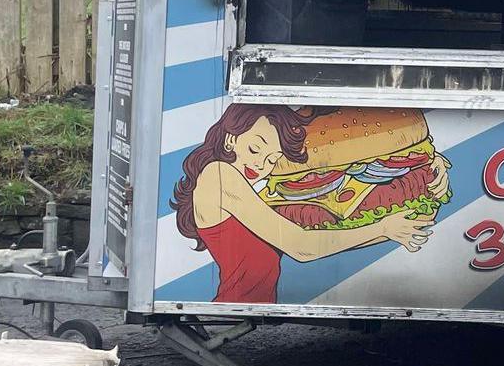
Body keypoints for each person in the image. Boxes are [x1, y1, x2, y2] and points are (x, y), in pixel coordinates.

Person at [170, 105, 433, 303]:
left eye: (273, 159)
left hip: (250, 303)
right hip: (234, 302)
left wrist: (393, 227)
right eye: (254, 149)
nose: (261, 165)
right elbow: (302, 247)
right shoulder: (220, 176)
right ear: (230, 139)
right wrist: (382, 229)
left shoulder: (242, 190)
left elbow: (323, 240)